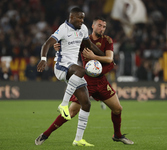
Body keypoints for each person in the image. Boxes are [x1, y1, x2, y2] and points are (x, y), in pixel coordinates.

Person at [35, 16, 134, 146]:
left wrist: (94, 57)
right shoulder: (83, 39)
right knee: (71, 112)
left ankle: (117, 135)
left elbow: (110, 59)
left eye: (104, 26)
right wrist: (59, 47)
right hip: (86, 80)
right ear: (92, 26)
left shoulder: (107, 40)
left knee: (117, 109)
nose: (102, 28)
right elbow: (68, 45)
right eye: (99, 25)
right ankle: (45, 134)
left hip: (102, 81)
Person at [35, 7, 104, 146]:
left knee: (86, 103)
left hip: (73, 69)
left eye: (83, 18)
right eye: (79, 18)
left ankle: (78, 139)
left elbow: (88, 44)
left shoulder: (83, 29)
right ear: (71, 17)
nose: (81, 21)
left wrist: (104, 56)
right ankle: (63, 104)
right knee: (82, 70)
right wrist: (43, 58)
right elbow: (47, 43)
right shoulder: (63, 29)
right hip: (61, 67)